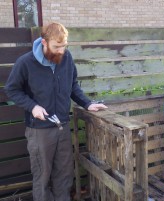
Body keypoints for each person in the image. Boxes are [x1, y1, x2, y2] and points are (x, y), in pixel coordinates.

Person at [5, 22, 107, 201]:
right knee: (42, 176)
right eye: (57, 47)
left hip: (63, 127)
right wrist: (33, 106)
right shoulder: (26, 63)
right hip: (39, 130)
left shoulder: (66, 58)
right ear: (44, 43)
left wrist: (87, 103)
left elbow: (73, 85)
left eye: (64, 46)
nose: (61, 51)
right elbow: (12, 90)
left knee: (64, 174)